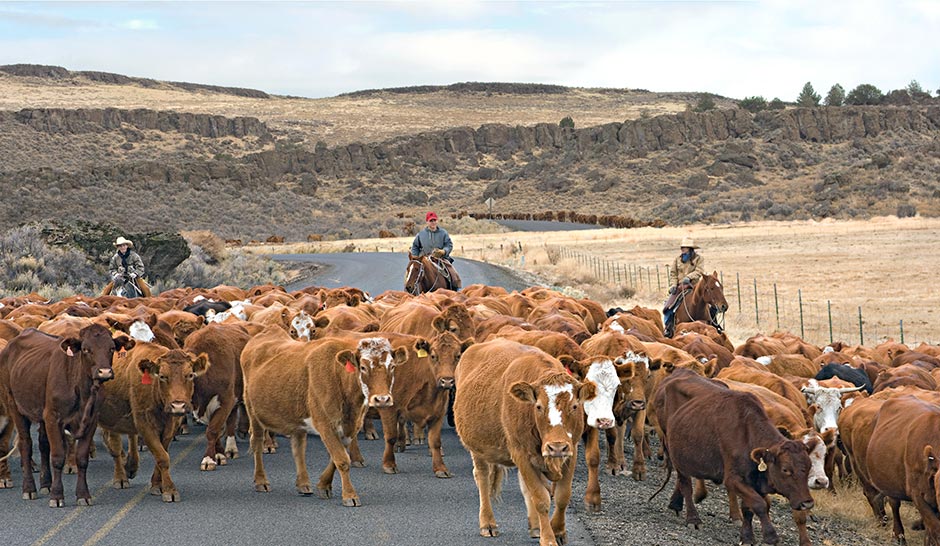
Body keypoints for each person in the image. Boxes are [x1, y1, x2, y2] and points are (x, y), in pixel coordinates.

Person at [662, 236, 705, 337]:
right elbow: (673, 274)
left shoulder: (699, 259)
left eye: (684, 247)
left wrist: (689, 277)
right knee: (668, 307)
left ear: (690, 249)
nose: (682, 249)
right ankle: (668, 327)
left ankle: (715, 325)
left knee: (711, 304)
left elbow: (699, 271)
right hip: (680, 287)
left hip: (694, 286)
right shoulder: (677, 260)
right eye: (682, 247)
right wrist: (673, 285)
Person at [410, 212, 460, 290]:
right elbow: (415, 246)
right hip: (424, 259)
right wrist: (415, 256)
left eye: (434, 220)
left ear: (437, 221)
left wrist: (444, 251)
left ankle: (456, 289)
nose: (433, 222)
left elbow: (449, 245)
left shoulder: (443, 233)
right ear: (427, 222)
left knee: (453, 274)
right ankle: (409, 289)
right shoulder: (421, 234)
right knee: (412, 273)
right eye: (431, 221)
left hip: (441, 259)